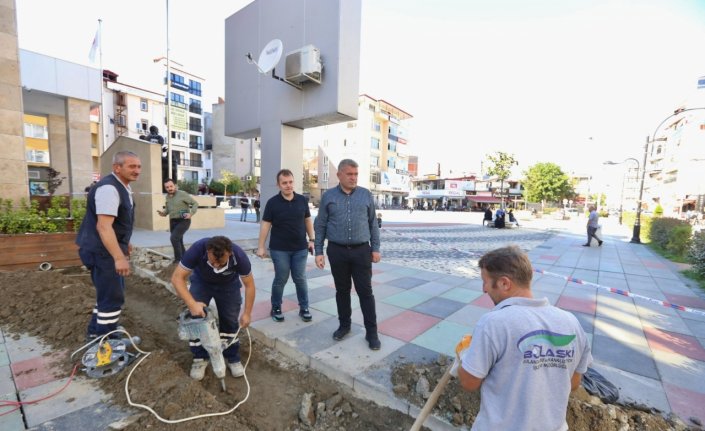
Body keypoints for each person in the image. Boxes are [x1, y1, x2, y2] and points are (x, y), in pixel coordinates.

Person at [454, 246, 592, 430]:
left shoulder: (494, 323)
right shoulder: (571, 323)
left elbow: (469, 382)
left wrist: (465, 353)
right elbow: (573, 384)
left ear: (504, 283)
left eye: (485, 282)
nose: (484, 289)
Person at [314, 159, 382, 350]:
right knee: (342, 291)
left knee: (365, 292)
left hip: (362, 251)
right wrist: (318, 251)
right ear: (339, 175)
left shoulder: (365, 195)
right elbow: (320, 225)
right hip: (337, 251)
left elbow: (373, 224)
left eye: (356, 174)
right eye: (349, 174)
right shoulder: (328, 197)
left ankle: (372, 333)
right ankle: (344, 326)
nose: (353, 178)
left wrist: (375, 248)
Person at [171, 236, 256, 381]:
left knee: (230, 318)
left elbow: (249, 285)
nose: (216, 266)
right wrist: (192, 304)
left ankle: (232, 357)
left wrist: (247, 313)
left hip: (229, 285)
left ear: (229, 253)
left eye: (220, 263)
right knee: (196, 318)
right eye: (212, 262)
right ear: (207, 252)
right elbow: (177, 278)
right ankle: (200, 357)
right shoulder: (198, 249)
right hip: (202, 282)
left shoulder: (239, 256)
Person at [76, 151, 141, 340]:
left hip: (105, 250)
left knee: (107, 295)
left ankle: (96, 332)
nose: (137, 170)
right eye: (131, 166)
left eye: (138, 166)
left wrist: (124, 242)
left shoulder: (121, 187)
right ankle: (106, 342)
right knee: (112, 298)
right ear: (117, 168)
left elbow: (116, 222)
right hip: (102, 253)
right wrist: (119, 258)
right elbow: (104, 226)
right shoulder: (109, 189)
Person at [256, 170, 315, 323]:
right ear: (278, 185)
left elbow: (308, 220)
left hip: (300, 249)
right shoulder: (272, 203)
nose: (288, 186)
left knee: (300, 278)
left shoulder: (302, 200)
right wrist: (261, 246)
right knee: (281, 278)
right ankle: (276, 307)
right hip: (279, 249)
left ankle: (304, 307)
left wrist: (312, 239)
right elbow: (265, 226)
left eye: (290, 182)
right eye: (284, 183)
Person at [157, 179, 198, 262]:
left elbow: (195, 203)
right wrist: (163, 213)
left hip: (183, 220)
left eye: (171, 186)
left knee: (174, 238)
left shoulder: (182, 194)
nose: (169, 188)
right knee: (179, 241)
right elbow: (168, 209)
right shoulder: (167, 197)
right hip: (173, 222)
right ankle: (186, 259)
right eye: (167, 187)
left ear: (175, 185)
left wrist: (191, 213)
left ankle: (178, 261)